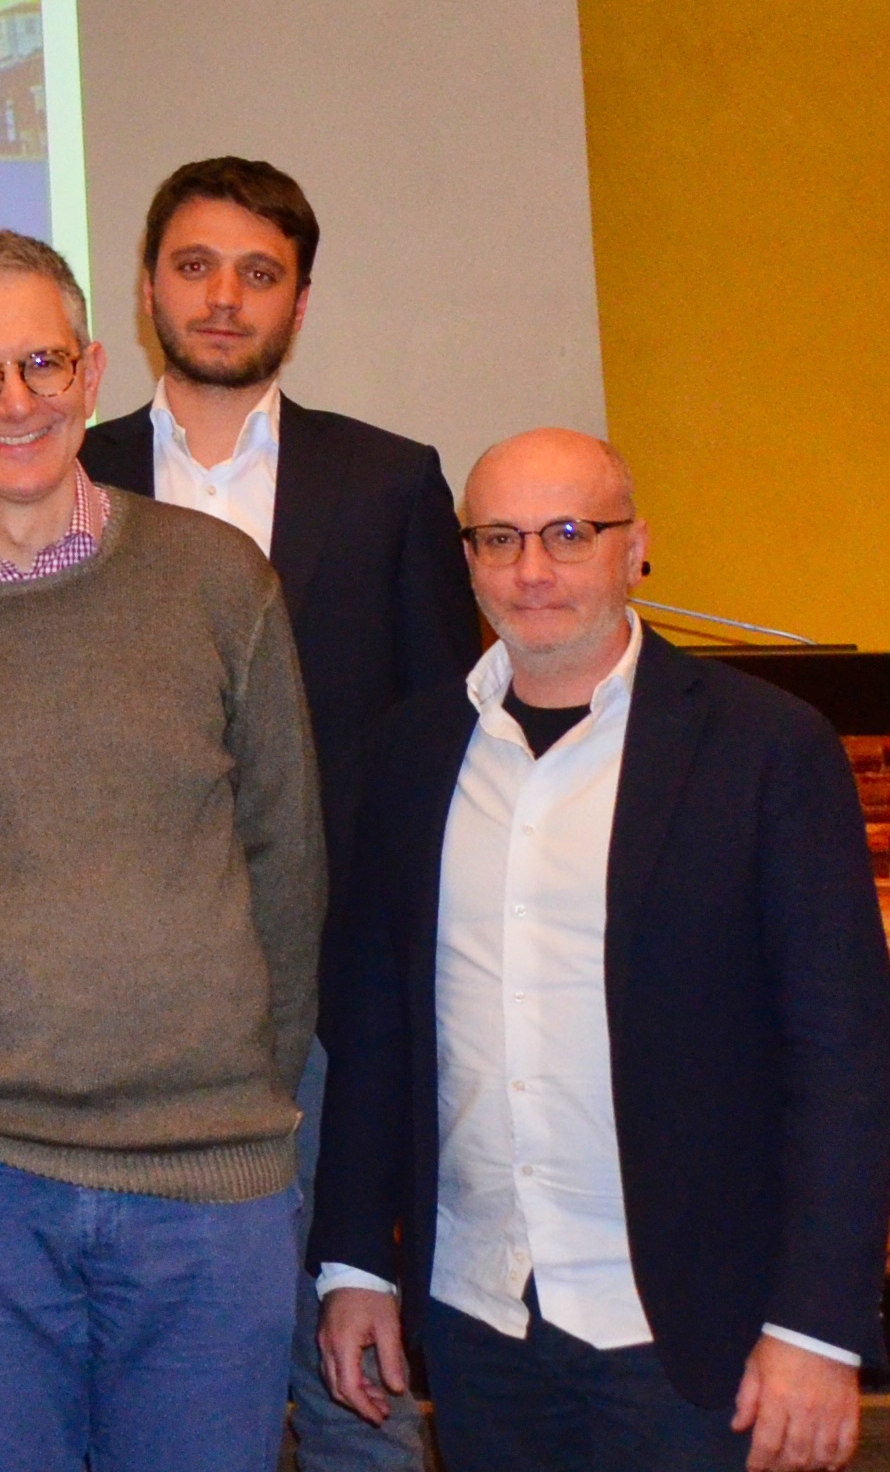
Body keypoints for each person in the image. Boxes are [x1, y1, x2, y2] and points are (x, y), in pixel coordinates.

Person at [0, 228, 324, 1472]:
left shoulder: (220, 581)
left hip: (209, 1179)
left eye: (42, 361)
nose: (15, 400)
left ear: (92, 370)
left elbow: (286, 862)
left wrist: (236, 1089)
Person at [312, 431, 890, 1472]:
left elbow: (843, 1057)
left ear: (637, 547)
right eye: (499, 538)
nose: (532, 570)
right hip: (480, 1317)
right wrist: (355, 1260)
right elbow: (376, 1024)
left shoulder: (768, 747)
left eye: (570, 533)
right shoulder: (412, 752)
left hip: (698, 1331)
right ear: (467, 560)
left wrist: (817, 1325)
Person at [76, 157, 478, 1472]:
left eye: (259, 272)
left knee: (349, 1346)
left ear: (297, 300)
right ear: (147, 286)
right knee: (169, 1358)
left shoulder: (386, 481)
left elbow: (436, 741)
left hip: (328, 988)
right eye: (194, 265)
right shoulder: (62, 473)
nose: (223, 296)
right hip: (121, 996)